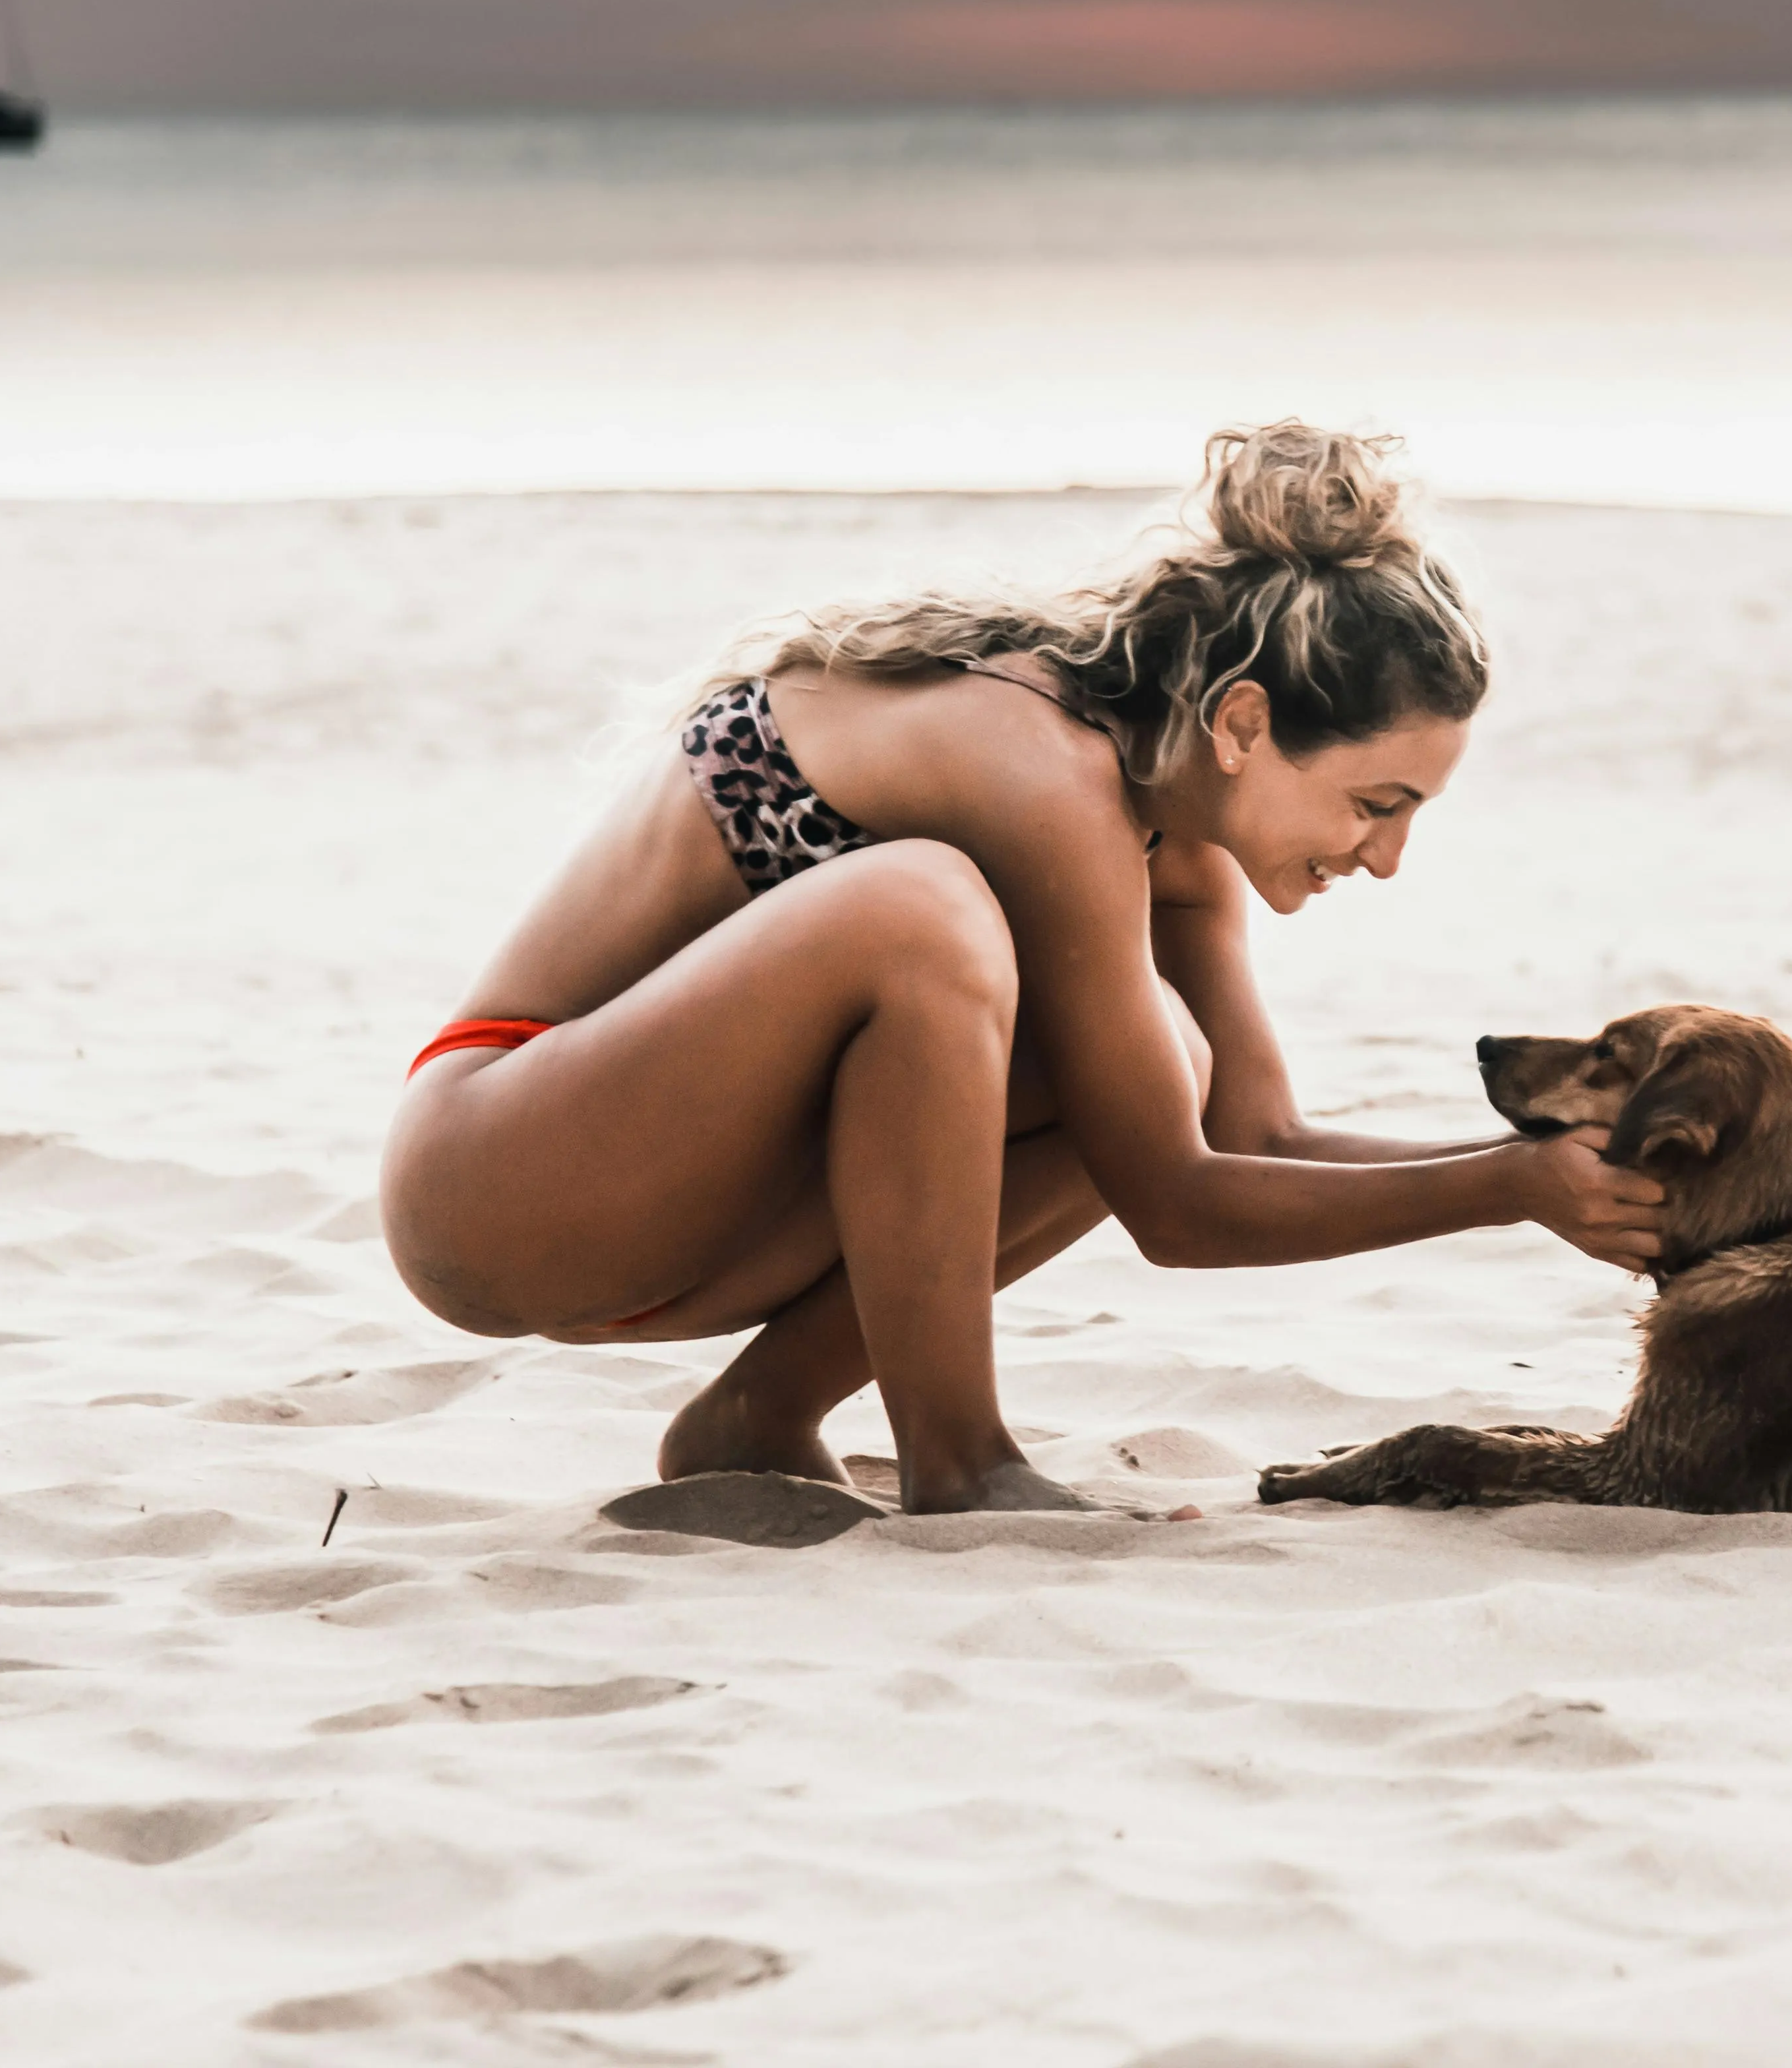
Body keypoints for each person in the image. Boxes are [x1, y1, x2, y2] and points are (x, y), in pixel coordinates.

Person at [378, 423, 1659, 1513]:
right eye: (1374, 803)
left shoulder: (1172, 839)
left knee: (1166, 1054)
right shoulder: (1037, 760)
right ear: (1244, 723)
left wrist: (1555, 1176)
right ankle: (962, 1461)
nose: (1381, 858)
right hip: (494, 1178)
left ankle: (754, 1423)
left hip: (679, 1214)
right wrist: (1503, 1188)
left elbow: (1245, 1136)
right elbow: (1175, 1206)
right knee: (919, 910)